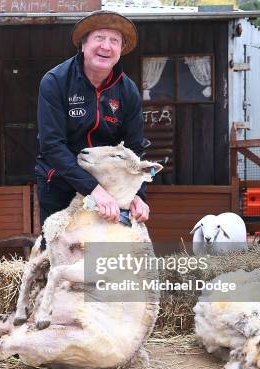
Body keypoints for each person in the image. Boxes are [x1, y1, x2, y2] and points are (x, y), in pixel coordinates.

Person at [36, 10, 149, 238]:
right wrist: (94, 190)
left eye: (114, 40)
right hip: (61, 184)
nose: (106, 47)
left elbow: (134, 150)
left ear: (121, 49)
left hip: (110, 189)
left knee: (104, 257)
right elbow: (52, 145)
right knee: (59, 257)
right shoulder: (55, 82)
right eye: (99, 38)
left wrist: (136, 194)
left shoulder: (128, 91)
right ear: (83, 45)